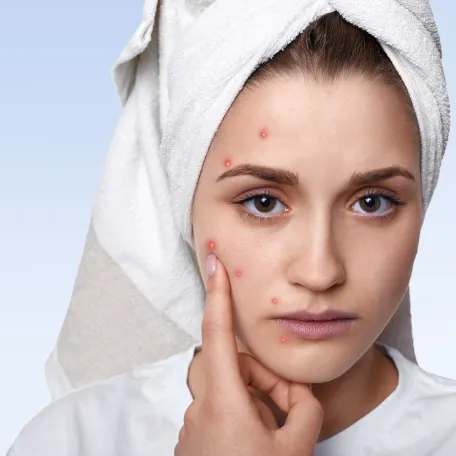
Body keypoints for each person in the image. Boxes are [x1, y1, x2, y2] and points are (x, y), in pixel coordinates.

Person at [7, 1, 456, 455]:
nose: (320, 272)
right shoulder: (71, 440)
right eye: (264, 203)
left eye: (372, 203)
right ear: (187, 209)